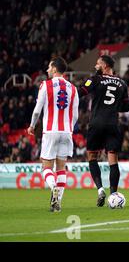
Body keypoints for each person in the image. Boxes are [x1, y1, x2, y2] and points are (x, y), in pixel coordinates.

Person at [27, 57, 79, 212]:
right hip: (67, 132)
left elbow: (37, 110)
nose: (47, 70)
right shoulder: (73, 88)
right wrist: (69, 129)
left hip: (51, 131)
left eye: (49, 67)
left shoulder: (45, 85)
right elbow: (75, 115)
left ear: (55, 69)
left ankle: (53, 187)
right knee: (61, 168)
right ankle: (57, 204)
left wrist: (32, 126)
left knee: (46, 166)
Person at [79, 55, 129, 207]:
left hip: (96, 123)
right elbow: (126, 107)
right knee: (113, 159)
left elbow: (81, 91)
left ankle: (100, 189)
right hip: (113, 124)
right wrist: (112, 107)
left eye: (98, 63)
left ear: (105, 66)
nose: (96, 65)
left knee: (92, 156)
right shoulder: (122, 83)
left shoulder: (96, 79)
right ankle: (114, 194)